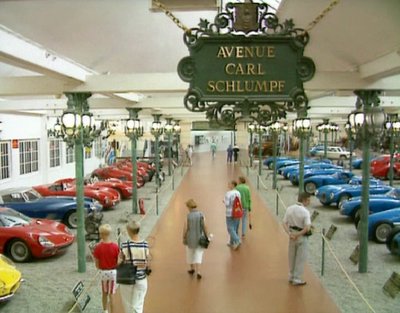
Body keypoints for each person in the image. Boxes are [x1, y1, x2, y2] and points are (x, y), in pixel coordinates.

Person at [119, 220, 150, 313]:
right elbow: (147, 261)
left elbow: (119, 261)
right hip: (141, 279)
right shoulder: (145, 245)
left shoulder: (124, 245)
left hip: (127, 279)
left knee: (128, 305)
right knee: (138, 305)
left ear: (128, 230)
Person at [282, 192, 312, 286]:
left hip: (291, 235)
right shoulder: (305, 212)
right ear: (304, 200)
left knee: (291, 256)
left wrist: (290, 234)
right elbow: (307, 228)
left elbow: (284, 223)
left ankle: (291, 275)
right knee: (300, 258)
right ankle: (297, 278)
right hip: (301, 237)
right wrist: (298, 234)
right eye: (309, 200)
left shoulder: (289, 208)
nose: (309, 202)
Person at [93, 224, 120, 313]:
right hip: (113, 272)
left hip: (103, 272)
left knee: (104, 293)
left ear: (101, 234)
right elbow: (118, 261)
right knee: (111, 294)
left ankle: (105, 310)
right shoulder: (115, 246)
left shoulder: (98, 247)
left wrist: (99, 267)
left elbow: (97, 263)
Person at [182, 199, 209, 279]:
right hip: (199, 238)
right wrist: (207, 236)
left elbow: (185, 228)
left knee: (190, 253)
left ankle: (192, 268)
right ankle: (198, 271)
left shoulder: (188, 216)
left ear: (189, 207)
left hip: (190, 239)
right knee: (198, 254)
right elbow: (205, 226)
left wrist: (183, 236)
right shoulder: (201, 215)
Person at [224, 180, 241, 250]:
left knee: (230, 228)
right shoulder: (238, 193)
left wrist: (224, 201)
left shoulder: (228, 193)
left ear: (233, 185)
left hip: (229, 212)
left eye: (229, 184)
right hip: (237, 211)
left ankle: (237, 240)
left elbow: (227, 204)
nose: (228, 185)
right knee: (235, 227)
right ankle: (231, 242)